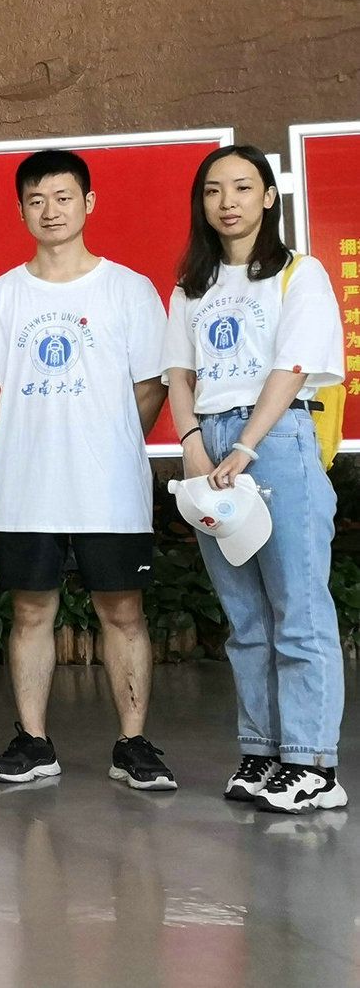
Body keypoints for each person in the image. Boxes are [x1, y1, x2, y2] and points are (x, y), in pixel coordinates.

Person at [0, 150, 173, 790]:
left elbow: (150, 387)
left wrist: (107, 439)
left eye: (62, 197)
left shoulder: (129, 289)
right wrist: (32, 435)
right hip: (28, 488)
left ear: (89, 203)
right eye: (36, 200)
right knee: (31, 612)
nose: (50, 211)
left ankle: (133, 743)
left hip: (110, 488)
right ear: (21, 211)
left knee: (123, 612)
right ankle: (33, 742)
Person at [162, 144, 347, 812]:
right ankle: (263, 751)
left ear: (269, 196)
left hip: (277, 438)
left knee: (298, 608)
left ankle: (313, 765)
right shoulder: (192, 284)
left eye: (243, 187)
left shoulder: (299, 272)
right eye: (214, 190)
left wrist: (245, 444)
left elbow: (292, 367)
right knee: (244, 617)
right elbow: (178, 373)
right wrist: (192, 445)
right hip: (209, 444)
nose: (228, 201)